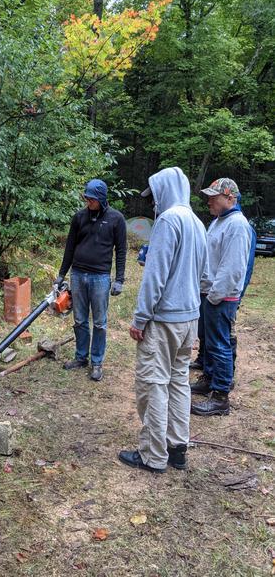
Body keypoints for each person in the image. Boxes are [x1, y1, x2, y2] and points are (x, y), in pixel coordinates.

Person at [118, 167, 208, 473]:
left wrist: (140, 319)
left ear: (165, 191)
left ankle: (153, 455)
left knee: (153, 384)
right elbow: (203, 275)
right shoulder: (197, 222)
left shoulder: (169, 220)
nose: (153, 202)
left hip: (164, 321)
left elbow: (155, 278)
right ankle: (177, 448)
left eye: (154, 195)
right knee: (178, 381)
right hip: (189, 319)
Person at [190, 179, 252, 416]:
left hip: (221, 297)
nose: (209, 201)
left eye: (214, 197)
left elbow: (233, 268)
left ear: (230, 198)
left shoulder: (237, 225)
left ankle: (220, 397)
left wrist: (215, 296)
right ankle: (209, 380)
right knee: (209, 343)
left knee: (220, 346)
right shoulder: (219, 222)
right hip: (210, 294)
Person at [55, 179, 126, 382]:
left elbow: (121, 250)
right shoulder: (79, 217)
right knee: (79, 320)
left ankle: (96, 362)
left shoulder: (116, 219)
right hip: (78, 274)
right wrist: (61, 275)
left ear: (102, 198)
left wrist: (119, 279)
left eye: (92, 199)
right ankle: (80, 357)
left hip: (100, 277)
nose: (88, 202)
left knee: (100, 323)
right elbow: (69, 247)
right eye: (87, 198)